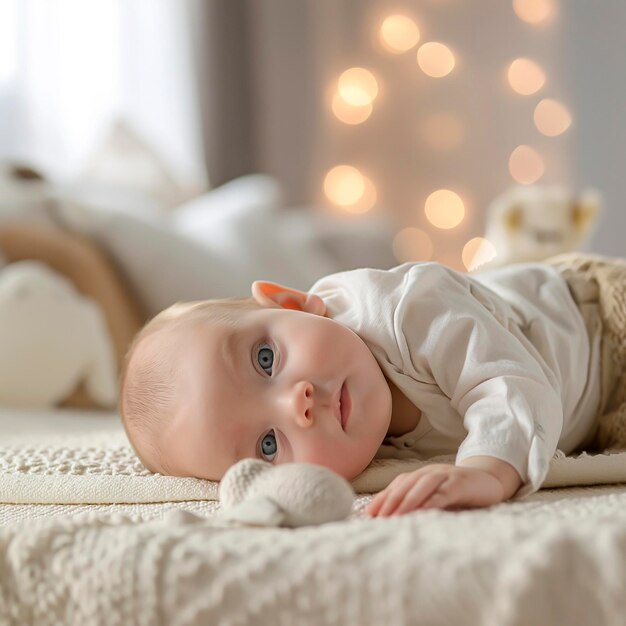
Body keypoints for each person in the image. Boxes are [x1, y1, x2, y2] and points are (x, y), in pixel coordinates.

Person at [119, 254, 626, 516]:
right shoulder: (353, 458)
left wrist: (488, 470)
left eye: (266, 359)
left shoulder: (408, 307)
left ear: (293, 304)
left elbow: (510, 380)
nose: (298, 405)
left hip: (600, 327)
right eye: (268, 444)